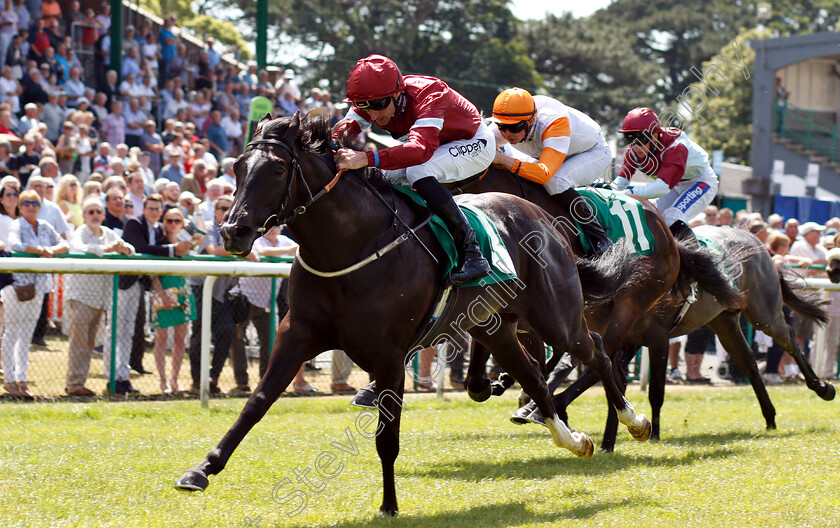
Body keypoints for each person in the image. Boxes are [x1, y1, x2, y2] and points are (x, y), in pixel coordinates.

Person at [331, 54, 492, 284]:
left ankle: (472, 252)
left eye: (379, 106)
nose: (374, 115)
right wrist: (332, 142)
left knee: (416, 171)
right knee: (381, 176)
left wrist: (365, 157)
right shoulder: (375, 96)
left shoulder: (430, 94)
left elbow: (420, 151)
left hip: (474, 142)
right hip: (435, 146)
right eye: (362, 106)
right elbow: (344, 130)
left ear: (398, 93)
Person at [489, 87, 613, 255]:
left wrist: (503, 160)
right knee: (521, 179)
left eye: (514, 127)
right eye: (502, 127)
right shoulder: (511, 121)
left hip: (592, 152)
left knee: (555, 181)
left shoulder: (553, 121)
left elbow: (543, 174)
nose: (507, 133)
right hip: (552, 155)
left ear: (530, 121)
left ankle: (600, 238)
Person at [613, 107, 718, 245]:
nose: (635, 146)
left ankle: (703, 264)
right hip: (676, 185)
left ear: (655, 135)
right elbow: (621, 181)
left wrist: (628, 193)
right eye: (630, 138)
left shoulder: (675, 147)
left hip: (700, 182)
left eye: (641, 138)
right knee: (650, 216)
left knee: (672, 217)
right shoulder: (632, 152)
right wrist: (607, 189)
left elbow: (661, 188)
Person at [65, 197, 133, 396]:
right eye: (90, 212)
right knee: (79, 343)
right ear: (84, 215)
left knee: (89, 343)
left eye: (98, 212)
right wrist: (108, 250)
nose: (95, 215)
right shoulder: (80, 232)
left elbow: (130, 249)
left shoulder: (109, 233)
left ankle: (77, 383)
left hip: (100, 298)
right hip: (80, 296)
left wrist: (124, 249)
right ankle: (75, 384)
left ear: (104, 215)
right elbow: (78, 248)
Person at [3, 189, 67, 398]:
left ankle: (22, 380)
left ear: (40, 207)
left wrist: (52, 250)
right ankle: (10, 380)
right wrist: (41, 250)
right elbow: (15, 245)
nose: (31, 206)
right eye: (26, 203)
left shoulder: (47, 227)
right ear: (20, 207)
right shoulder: (16, 225)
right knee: (12, 333)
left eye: (35, 203)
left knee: (26, 335)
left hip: (40, 287)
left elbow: (65, 244)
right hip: (18, 287)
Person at [231, 226, 297, 394]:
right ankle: (241, 382)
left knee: (269, 342)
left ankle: (265, 383)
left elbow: (299, 249)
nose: (273, 229)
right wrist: (288, 250)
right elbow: (262, 252)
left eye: (277, 226)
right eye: (270, 226)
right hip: (244, 300)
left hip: (266, 303)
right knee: (237, 340)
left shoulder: (284, 241)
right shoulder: (257, 240)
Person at [150, 207, 198, 394]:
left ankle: (174, 380)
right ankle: (163, 381)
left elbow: (200, 229)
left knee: (180, 339)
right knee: (161, 339)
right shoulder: (159, 242)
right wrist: (162, 295)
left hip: (183, 293)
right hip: (163, 291)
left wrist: (196, 207)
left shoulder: (186, 241)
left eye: (177, 221)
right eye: (169, 220)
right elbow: (153, 274)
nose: (173, 224)